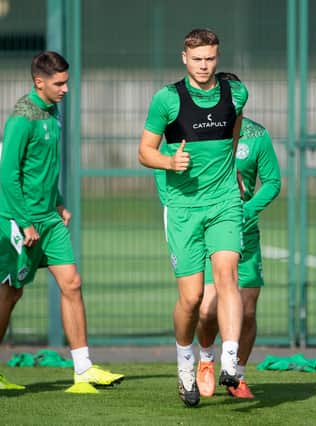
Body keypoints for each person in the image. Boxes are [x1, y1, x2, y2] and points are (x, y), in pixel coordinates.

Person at [0, 51, 124, 395]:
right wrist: (25, 222)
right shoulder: (21, 119)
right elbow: (8, 175)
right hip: (20, 222)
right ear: (39, 82)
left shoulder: (53, 112)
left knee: (72, 283)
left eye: (67, 81)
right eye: (59, 83)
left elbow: (46, 165)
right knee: (11, 293)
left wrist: (57, 202)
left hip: (49, 220)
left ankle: (83, 368)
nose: (66, 89)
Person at [138, 29, 248, 407]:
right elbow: (144, 152)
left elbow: (233, 133)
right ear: (184, 58)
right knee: (193, 298)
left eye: (210, 59)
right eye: (197, 59)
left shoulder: (236, 93)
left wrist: (230, 171)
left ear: (218, 57)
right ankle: (185, 362)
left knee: (228, 276)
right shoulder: (167, 100)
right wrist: (170, 161)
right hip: (183, 208)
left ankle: (230, 362)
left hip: (224, 203)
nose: (204, 66)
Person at [194, 72, 281, 399]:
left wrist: (247, 210)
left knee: (246, 311)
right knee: (205, 310)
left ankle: (237, 374)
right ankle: (205, 359)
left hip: (244, 234)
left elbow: (272, 182)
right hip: (208, 230)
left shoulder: (257, 135)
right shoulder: (200, 131)